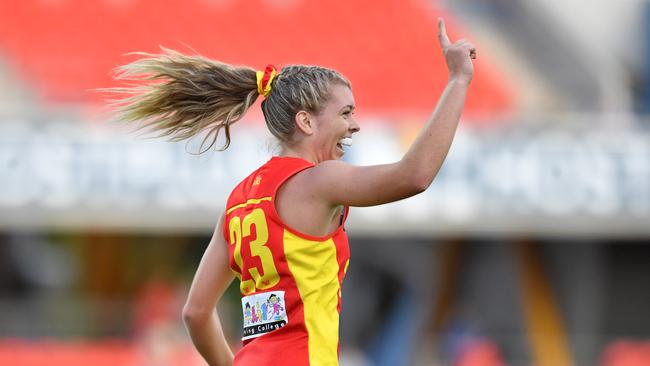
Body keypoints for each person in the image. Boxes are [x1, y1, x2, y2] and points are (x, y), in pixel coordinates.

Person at [109, 18, 475, 366]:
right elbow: (414, 176)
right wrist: (458, 79)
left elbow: (196, 312)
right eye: (346, 113)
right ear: (306, 121)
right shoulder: (320, 181)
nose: (355, 125)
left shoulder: (238, 200)